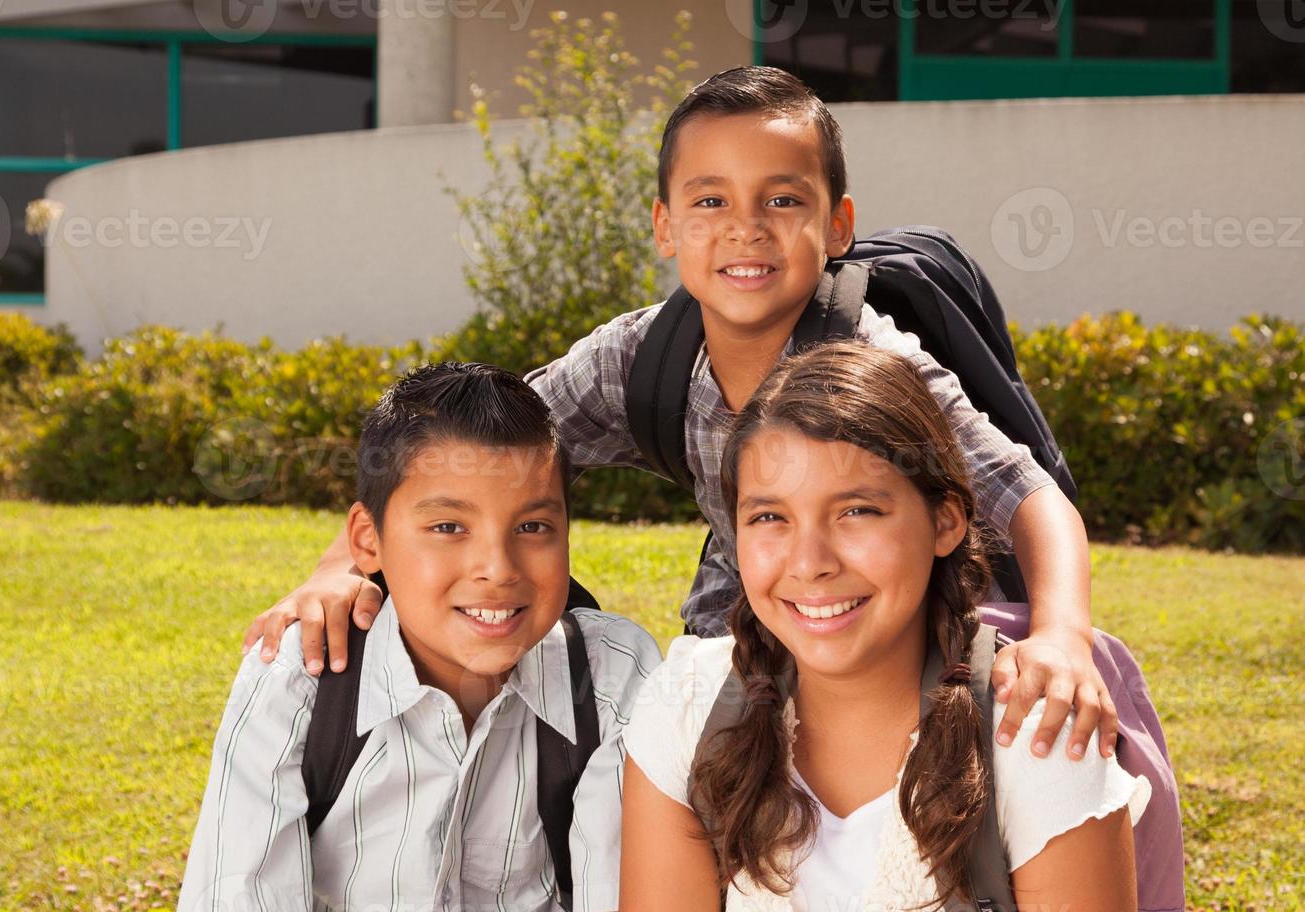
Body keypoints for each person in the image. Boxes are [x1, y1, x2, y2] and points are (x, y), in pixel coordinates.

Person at [245, 65, 1118, 764]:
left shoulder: (876, 367)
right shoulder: (642, 357)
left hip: (888, 645)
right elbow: (464, 455)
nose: (746, 228)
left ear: (838, 225)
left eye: (783, 200)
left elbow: (1030, 496)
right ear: (665, 226)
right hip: (734, 635)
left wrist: (1065, 637)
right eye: (710, 201)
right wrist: (340, 570)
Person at [617, 342, 1150, 912]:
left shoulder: (1032, 733)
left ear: (946, 521)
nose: (811, 560)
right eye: (770, 517)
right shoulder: (686, 706)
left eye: (856, 511)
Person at [169, 362, 661, 912]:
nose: (497, 567)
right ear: (367, 542)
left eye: (533, 527)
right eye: (448, 527)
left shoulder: (612, 678)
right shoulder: (300, 681)